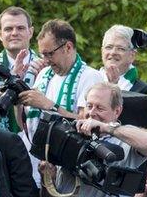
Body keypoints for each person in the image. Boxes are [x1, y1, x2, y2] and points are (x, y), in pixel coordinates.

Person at [39, 82, 147, 197]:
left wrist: (107, 128)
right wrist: (48, 180)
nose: (92, 113)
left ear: (117, 111)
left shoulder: (123, 142)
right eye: (89, 106)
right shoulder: (70, 140)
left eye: (100, 108)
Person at [19, 19, 103, 183]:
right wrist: (19, 103)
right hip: (34, 162)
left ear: (68, 47)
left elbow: (87, 125)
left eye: (50, 54)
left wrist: (49, 105)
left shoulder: (90, 76)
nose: (46, 60)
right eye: (43, 54)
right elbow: (26, 124)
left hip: (67, 168)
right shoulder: (44, 74)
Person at [0, 6, 41, 93]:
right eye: (8, 29)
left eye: (20, 28)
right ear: (0, 35)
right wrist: (12, 78)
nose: (14, 33)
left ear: (30, 32)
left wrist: (42, 79)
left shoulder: (47, 67)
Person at [100, 25, 147, 102]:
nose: (113, 52)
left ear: (132, 56)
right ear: (102, 51)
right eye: (109, 47)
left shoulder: (145, 91)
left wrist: (113, 86)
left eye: (120, 48)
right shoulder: (88, 79)